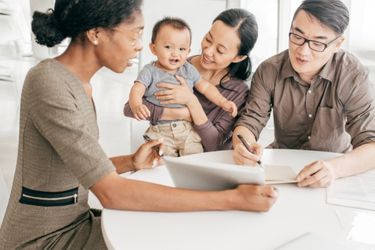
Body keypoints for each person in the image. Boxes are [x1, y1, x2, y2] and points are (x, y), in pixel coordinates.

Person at [0, 1, 277, 249]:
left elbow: (73, 165)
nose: (140, 45)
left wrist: (131, 161)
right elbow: (111, 192)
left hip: (76, 223)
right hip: (44, 240)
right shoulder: (50, 82)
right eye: (135, 34)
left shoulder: (79, 83)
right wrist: (232, 199)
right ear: (96, 34)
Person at [233, 0, 375, 188]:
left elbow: (371, 144)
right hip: (281, 167)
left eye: (317, 43)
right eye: (297, 36)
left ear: (338, 43)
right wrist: (242, 145)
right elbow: (250, 121)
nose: (303, 51)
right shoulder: (269, 70)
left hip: (335, 169)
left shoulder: (352, 74)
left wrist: (334, 169)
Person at [125, 8, 258, 152]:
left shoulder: (238, 92)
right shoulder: (176, 66)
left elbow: (214, 144)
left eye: (219, 50)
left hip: (205, 162)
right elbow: (129, 109)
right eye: (208, 39)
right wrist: (181, 114)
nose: (207, 51)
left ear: (238, 57)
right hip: (165, 141)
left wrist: (192, 103)